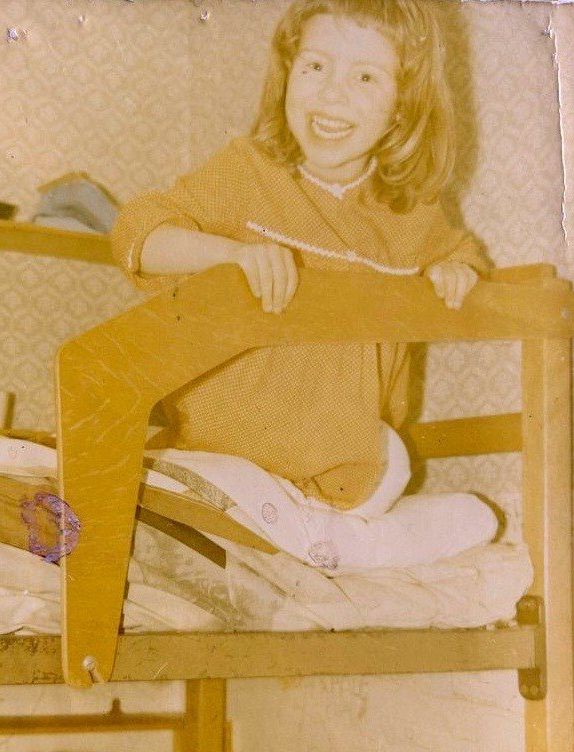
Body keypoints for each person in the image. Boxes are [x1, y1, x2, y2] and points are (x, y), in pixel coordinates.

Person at [112, 0, 490, 515]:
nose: (332, 93)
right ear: (287, 74)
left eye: (365, 78)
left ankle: (330, 538)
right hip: (224, 448)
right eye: (315, 66)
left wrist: (457, 270)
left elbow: (461, 252)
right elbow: (138, 231)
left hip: (343, 466)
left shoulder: (412, 212)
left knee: (404, 467)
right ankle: (314, 539)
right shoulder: (248, 173)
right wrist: (231, 254)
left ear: (403, 105)